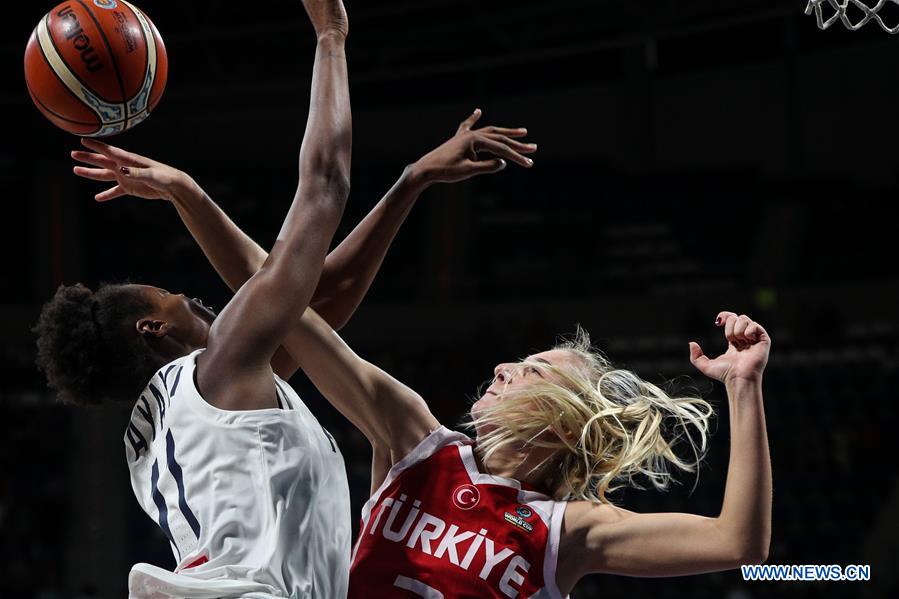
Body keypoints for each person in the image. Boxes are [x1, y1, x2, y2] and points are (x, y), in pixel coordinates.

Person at [118, 113, 771, 598]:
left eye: (532, 368)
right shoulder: (413, 435)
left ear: (561, 419)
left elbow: (738, 543)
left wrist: (742, 385)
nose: (501, 368)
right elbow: (280, 299)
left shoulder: (563, 529)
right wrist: (190, 197)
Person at [34, 1, 357, 596]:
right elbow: (324, 188)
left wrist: (411, 184)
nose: (188, 295)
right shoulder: (223, 369)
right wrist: (330, 37)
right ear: (151, 330)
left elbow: (321, 306)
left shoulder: (171, 423)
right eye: (168, 296)